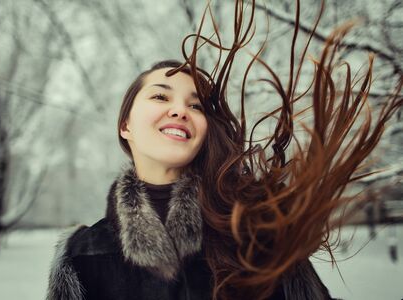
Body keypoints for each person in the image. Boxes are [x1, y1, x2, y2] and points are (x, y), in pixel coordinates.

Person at [46, 1, 402, 299]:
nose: (179, 110)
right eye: (159, 96)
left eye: (196, 105)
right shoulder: (81, 256)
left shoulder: (255, 229)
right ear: (125, 126)